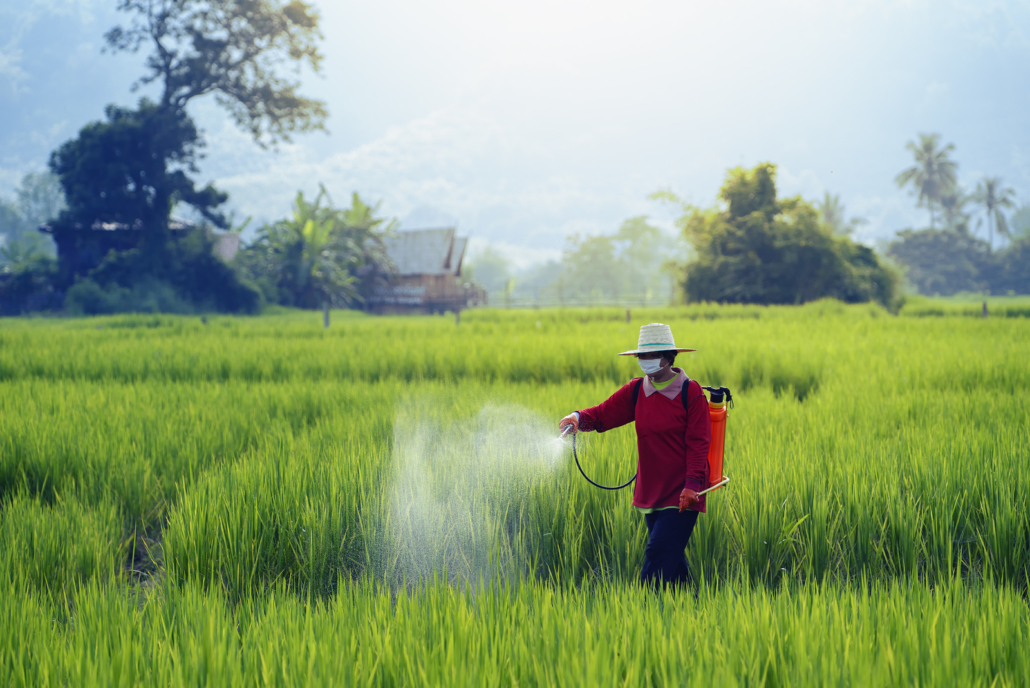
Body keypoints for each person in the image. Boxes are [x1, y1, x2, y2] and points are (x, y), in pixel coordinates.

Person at [559, 322, 712, 589]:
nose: (644, 361)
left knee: (657, 555)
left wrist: (692, 486)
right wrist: (577, 418)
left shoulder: (691, 393)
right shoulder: (636, 390)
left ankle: (642, 613)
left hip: (683, 493)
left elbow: (699, 443)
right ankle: (694, 610)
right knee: (672, 563)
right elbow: (604, 413)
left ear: (667, 357)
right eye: (641, 356)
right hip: (651, 491)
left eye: (650, 356)